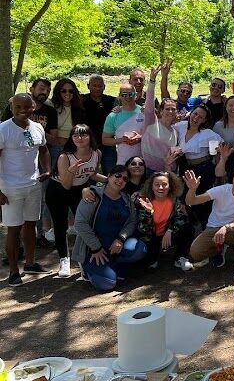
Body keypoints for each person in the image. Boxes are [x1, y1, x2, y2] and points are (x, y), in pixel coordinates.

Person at [0, 94, 51, 286]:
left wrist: (46, 169)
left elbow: (44, 150)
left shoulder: (37, 127)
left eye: (28, 107)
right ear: (12, 107)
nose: (23, 110)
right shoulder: (3, 129)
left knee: (30, 225)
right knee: (13, 229)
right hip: (10, 188)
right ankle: (14, 271)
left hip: (33, 184)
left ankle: (30, 263)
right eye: (18, 107)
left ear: (34, 107)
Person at [71, 165, 146, 291]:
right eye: (117, 175)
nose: (121, 180)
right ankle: (87, 269)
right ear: (109, 176)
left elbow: (131, 222)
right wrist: (96, 248)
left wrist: (121, 239)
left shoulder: (126, 199)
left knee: (140, 249)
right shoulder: (92, 194)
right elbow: (80, 223)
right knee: (107, 284)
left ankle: (115, 265)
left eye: (125, 179)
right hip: (95, 250)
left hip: (116, 246)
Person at [45, 124, 104, 278]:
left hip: (80, 189)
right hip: (58, 190)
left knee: (84, 223)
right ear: (71, 138)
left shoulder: (96, 153)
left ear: (90, 137)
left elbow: (92, 174)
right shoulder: (65, 156)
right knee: (60, 224)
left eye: (83, 135)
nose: (80, 138)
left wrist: (112, 180)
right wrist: (73, 169)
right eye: (76, 135)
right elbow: (66, 184)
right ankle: (64, 260)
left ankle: (82, 259)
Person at [186, 167, 234, 274]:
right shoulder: (221, 190)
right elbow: (191, 201)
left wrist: (226, 228)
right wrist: (192, 189)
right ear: (233, 177)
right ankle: (218, 250)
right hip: (213, 228)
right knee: (195, 253)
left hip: (232, 229)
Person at [136, 171, 194, 272]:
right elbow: (142, 229)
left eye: (164, 184)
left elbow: (181, 218)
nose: (161, 188)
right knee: (147, 266)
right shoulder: (144, 201)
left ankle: (180, 257)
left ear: (170, 186)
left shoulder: (175, 200)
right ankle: (153, 258)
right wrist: (149, 212)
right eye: (157, 185)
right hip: (151, 238)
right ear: (152, 186)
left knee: (188, 228)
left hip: (169, 235)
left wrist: (170, 230)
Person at [174, 105, 218, 225]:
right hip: (185, 167)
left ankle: (206, 226)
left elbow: (221, 146)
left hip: (203, 168)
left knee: (202, 200)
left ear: (204, 120)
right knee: (185, 198)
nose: (196, 118)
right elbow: (167, 127)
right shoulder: (181, 126)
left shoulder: (207, 133)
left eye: (201, 117)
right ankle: (190, 226)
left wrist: (216, 155)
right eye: (195, 114)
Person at [141, 66, 179, 173]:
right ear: (161, 111)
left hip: (168, 172)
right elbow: (149, 101)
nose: (170, 111)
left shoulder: (175, 132)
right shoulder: (151, 123)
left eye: (173, 109)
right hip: (149, 171)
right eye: (167, 109)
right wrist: (152, 79)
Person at [103, 82, 145, 165]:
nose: (128, 97)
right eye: (124, 94)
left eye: (131, 94)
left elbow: (154, 134)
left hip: (144, 161)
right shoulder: (113, 116)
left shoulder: (144, 112)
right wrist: (122, 140)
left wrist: (140, 138)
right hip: (123, 161)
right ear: (119, 96)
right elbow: (105, 140)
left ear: (135, 95)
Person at [82, 75, 117, 172]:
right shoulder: (81, 100)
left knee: (111, 172)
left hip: (108, 144)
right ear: (88, 86)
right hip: (88, 144)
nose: (97, 88)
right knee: (89, 174)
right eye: (94, 85)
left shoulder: (112, 101)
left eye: (100, 86)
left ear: (104, 87)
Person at [51, 78, 85, 163]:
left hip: (73, 146)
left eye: (71, 91)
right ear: (58, 91)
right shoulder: (51, 106)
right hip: (56, 146)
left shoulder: (79, 107)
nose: (67, 93)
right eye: (64, 91)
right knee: (54, 173)